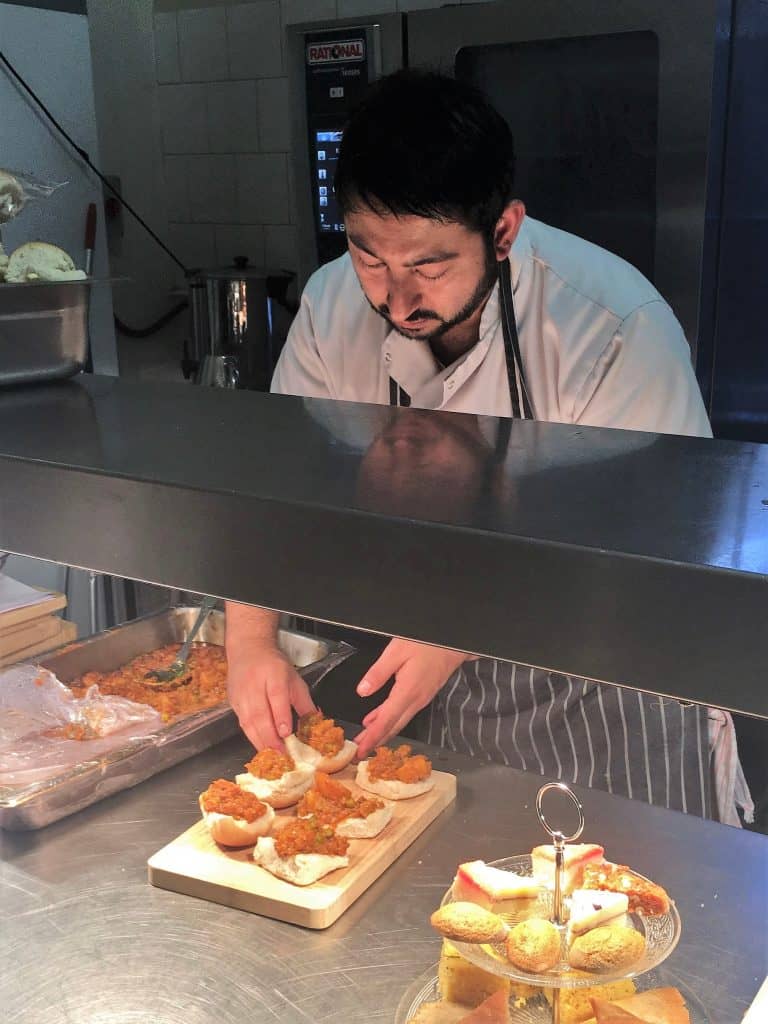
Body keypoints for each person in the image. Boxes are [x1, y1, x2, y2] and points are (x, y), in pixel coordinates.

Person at [226, 70, 747, 821]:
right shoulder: (334, 302)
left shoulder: (613, 328)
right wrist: (250, 641)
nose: (395, 299)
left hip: (595, 677)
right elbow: (279, 487)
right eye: (371, 256)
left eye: (428, 266)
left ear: (503, 230)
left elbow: (661, 553)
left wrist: (465, 626)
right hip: (417, 659)